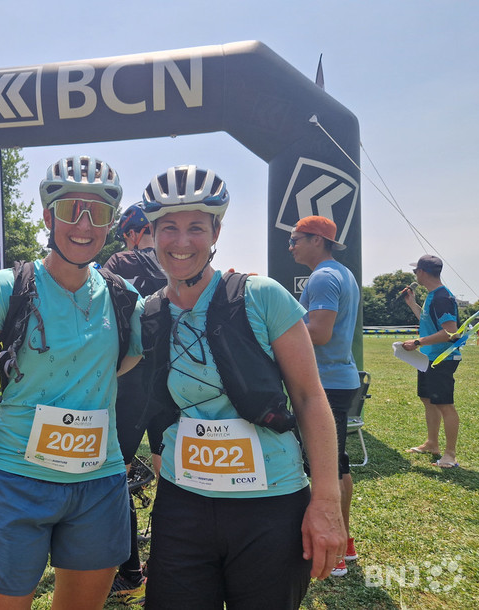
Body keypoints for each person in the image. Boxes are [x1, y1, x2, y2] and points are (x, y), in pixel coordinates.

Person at [0, 155, 144, 610]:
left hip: (99, 483)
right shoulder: (2, 289)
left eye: (99, 213)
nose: (85, 224)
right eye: (73, 209)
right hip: (16, 479)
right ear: (49, 216)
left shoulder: (124, 298)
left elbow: (121, 364)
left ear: (112, 223)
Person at [139, 165, 346, 609]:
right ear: (151, 235)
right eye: (168, 228)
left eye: (196, 227)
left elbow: (310, 398)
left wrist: (326, 501)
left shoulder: (261, 296)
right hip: (183, 503)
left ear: (216, 231)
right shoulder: (148, 313)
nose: (181, 241)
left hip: (270, 503)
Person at [289, 215, 361, 578]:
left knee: (320, 466)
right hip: (341, 377)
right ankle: (343, 542)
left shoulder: (322, 277)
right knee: (337, 463)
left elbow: (318, 333)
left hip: (326, 382)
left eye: (296, 239)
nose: (291, 246)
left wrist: (277, 322)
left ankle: (330, 547)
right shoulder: (341, 273)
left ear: (317, 240)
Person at [103, 202, 168, 603]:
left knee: (115, 474)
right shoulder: (174, 263)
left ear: (129, 233)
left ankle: (129, 573)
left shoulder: (121, 261)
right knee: (171, 473)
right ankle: (166, 562)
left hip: (131, 382)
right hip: (174, 380)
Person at [401, 254, 462, 468]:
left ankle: (450, 455)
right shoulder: (432, 296)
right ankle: (432, 444)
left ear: (423, 272)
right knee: (428, 400)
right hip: (430, 357)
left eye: (416, 270)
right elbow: (430, 323)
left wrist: (417, 342)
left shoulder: (442, 297)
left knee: (445, 405)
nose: (415, 274)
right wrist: (412, 304)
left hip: (442, 359)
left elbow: (450, 332)